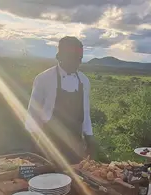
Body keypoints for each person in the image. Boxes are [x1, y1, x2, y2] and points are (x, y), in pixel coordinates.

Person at [24, 36, 100, 166]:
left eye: (79, 59)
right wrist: (32, 145)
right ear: (60, 57)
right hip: (50, 143)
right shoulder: (43, 78)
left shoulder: (84, 81)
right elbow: (33, 113)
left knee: (77, 181)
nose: (76, 63)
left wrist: (89, 138)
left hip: (76, 144)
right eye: (72, 58)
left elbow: (85, 113)